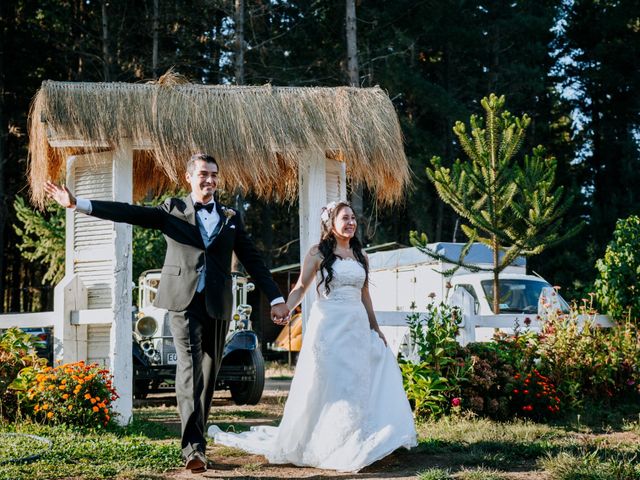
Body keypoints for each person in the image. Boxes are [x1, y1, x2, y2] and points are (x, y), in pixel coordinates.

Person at [45, 153, 290, 473]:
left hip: (218, 305)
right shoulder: (172, 210)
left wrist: (275, 299)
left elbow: (253, 260)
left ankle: (197, 441)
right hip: (182, 302)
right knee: (190, 370)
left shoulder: (230, 216)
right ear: (189, 177)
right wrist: (79, 203)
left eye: (214, 175)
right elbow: (129, 213)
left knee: (209, 373)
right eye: (203, 174)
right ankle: (194, 450)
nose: (210, 180)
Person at [210, 200, 417, 472]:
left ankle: (356, 436)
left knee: (358, 380)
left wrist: (375, 328)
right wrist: (284, 306)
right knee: (333, 383)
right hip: (329, 327)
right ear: (330, 223)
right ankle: (329, 442)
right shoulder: (317, 254)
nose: (351, 222)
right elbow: (300, 288)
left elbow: (365, 294)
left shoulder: (361, 256)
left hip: (355, 327)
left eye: (353, 218)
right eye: (345, 218)